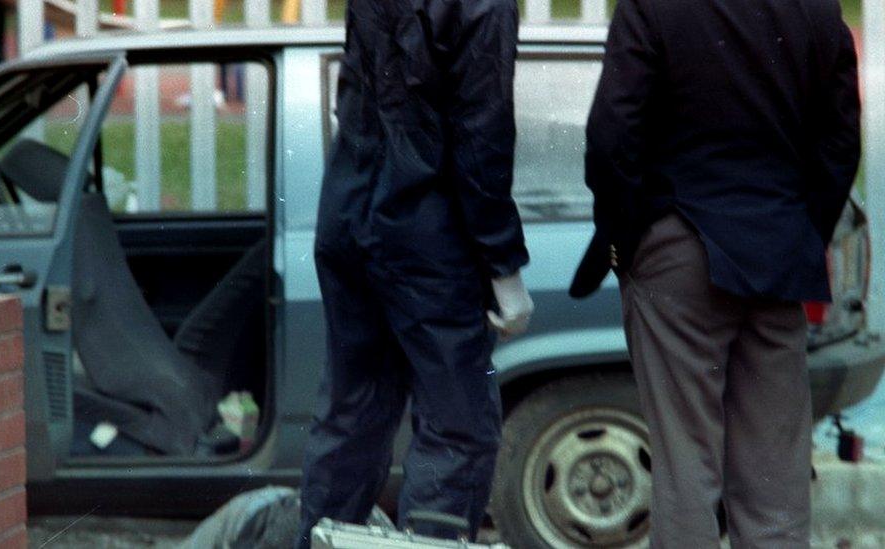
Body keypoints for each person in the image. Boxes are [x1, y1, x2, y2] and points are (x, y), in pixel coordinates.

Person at [570, 0, 861, 546]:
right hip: (778, 253)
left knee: (686, 468)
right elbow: (841, 145)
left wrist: (634, 238)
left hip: (679, 245)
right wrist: (797, 235)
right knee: (776, 481)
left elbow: (611, 134)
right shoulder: (819, 11)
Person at [296, 0, 534, 547]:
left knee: (350, 419)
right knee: (459, 430)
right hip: (425, 239)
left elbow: (362, 97)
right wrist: (503, 267)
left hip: (348, 217)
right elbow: (483, 133)